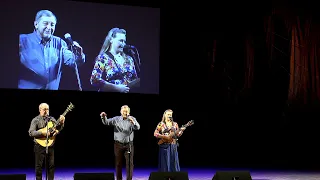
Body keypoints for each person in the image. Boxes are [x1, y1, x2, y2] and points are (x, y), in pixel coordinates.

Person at [19, 10, 86, 90]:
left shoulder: (60, 43)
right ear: (36, 24)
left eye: (52, 25)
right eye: (45, 23)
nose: (49, 27)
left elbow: (73, 62)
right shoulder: (22, 40)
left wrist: (79, 55)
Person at [90, 27, 139, 93]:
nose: (123, 44)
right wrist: (117, 88)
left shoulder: (129, 59)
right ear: (111, 40)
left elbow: (135, 79)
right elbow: (94, 80)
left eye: (124, 41)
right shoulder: (103, 58)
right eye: (121, 41)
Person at [100, 105, 140, 180]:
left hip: (129, 145)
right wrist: (103, 117)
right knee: (118, 164)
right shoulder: (116, 119)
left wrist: (133, 122)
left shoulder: (132, 119)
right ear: (120, 112)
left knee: (129, 164)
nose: (125, 112)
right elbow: (106, 122)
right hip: (118, 145)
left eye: (126, 111)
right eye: (123, 111)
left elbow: (138, 127)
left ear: (129, 112)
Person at [28, 103, 65, 180]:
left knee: (51, 165)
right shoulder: (35, 120)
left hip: (50, 145)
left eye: (47, 109)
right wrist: (42, 133)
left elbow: (58, 128)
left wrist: (61, 124)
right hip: (39, 145)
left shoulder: (52, 119)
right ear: (40, 110)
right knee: (39, 166)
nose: (46, 111)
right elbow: (31, 133)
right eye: (44, 109)